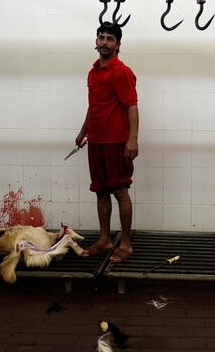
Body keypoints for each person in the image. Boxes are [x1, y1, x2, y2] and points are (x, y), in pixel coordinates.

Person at [76, 22, 138, 264]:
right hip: (96, 142)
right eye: (101, 37)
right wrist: (83, 132)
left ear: (118, 45)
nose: (104, 42)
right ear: (96, 41)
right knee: (101, 191)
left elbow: (131, 106)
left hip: (116, 142)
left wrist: (132, 139)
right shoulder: (93, 72)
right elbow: (94, 106)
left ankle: (125, 243)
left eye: (109, 39)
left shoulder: (121, 72)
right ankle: (104, 240)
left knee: (120, 191)